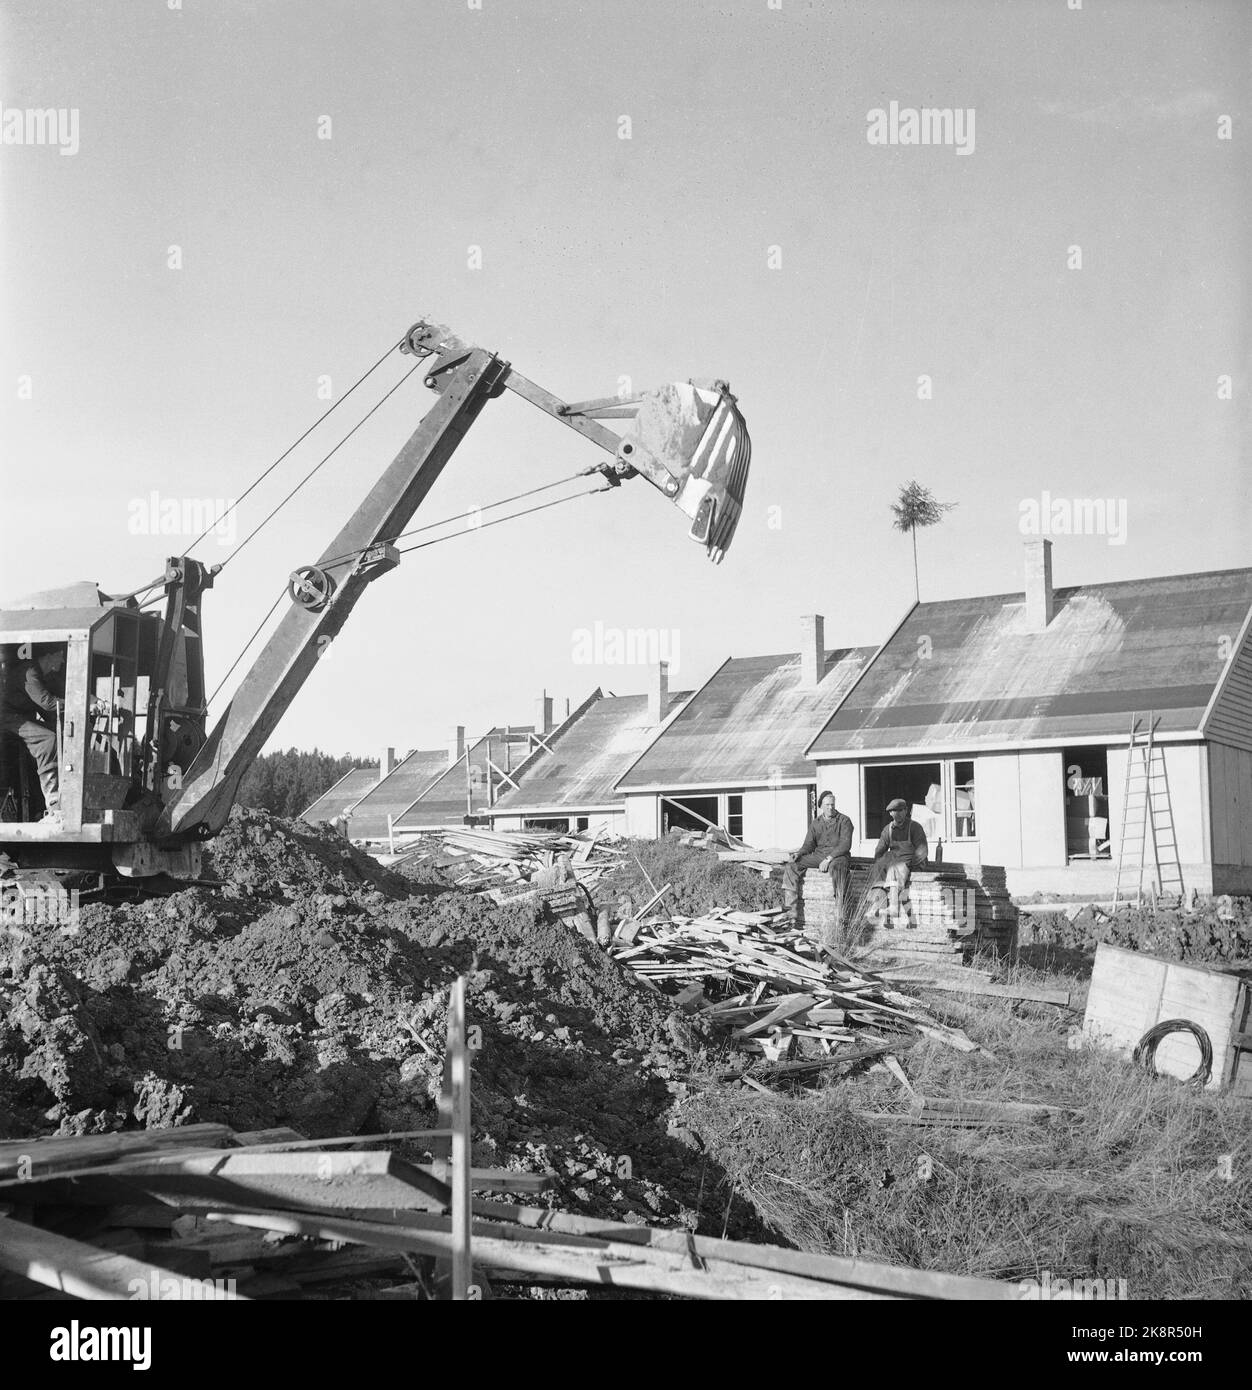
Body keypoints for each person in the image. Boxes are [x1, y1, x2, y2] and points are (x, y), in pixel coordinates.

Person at [0, 644, 66, 823]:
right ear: (50, 656)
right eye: (60, 655)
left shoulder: (39, 673)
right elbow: (46, 702)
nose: (62, 659)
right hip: (8, 719)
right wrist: (80, 703)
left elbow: (45, 707)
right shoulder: (30, 672)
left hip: (16, 718)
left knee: (57, 734)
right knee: (48, 739)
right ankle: (53, 803)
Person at [782, 790, 854, 923]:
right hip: (819, 855)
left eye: (832, 804)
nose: (830, 807)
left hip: (838, 856)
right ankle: (790, 913)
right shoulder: (816, 823)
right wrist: (799, 853)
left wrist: (829, 859)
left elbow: (845, 844)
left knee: (838, 868)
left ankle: (840, 914)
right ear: (821, 806)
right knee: (792, 866)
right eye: (827, 805)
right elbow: (809, 844)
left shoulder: (844, 821)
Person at [868, 797, 929, 906]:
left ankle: (893, 903)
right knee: (878, 866)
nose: (898, 814)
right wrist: (880, 862)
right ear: (891, 813)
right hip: (895, 859)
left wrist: (912, 866)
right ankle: (878, 900)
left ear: (906, 811)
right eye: (895, 811)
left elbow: (922, 851)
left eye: (901, 810)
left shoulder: (915, 827)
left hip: (913, 861)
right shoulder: (888, 829)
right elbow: (880, 850)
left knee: (895, 868)